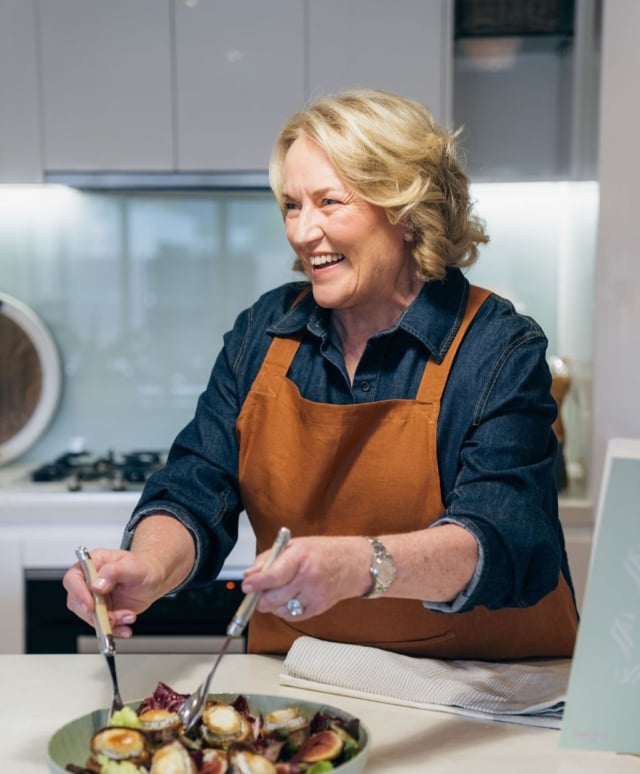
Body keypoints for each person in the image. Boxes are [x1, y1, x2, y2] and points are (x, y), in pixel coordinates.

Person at [64, 89, 578, 660]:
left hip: (479, 692)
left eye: (329, 202)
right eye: (291, 205)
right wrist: (149, 567)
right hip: (302, 681)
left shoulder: (496, 346)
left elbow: (504, 533)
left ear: (406, 210)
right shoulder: (264, 332)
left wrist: (357, 566)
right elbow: (195, 487)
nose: (302, 232)